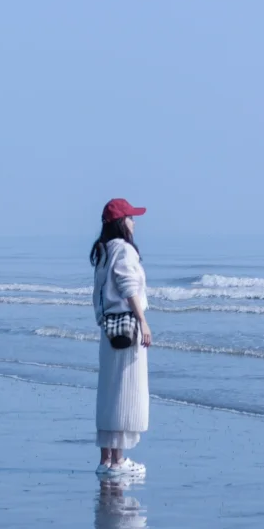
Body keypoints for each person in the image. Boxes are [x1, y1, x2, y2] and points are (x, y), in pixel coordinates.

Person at [91, 198, 153, 477]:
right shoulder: (125, 251)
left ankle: (106, 459)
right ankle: (118, 462)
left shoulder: (103, 252)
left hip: (109, 330)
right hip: (127, 328)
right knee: (126, 393)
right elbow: (129, 288)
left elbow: (99, 296)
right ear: (120, 222)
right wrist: (143, 321)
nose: (134, 222)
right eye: (130, 217)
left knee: (109, 392)